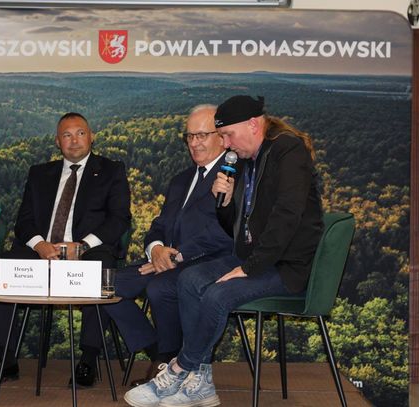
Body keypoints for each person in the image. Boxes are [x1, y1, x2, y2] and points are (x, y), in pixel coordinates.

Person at [124, 95, 324, 407]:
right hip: (253, 256)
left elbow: (287, 216)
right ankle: (201, 384)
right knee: (189, 280)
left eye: (228, 135)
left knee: (217, 295)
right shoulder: (245, 159)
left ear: (253, 125)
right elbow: (237, 226)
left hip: (286, 265)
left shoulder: (287, 151)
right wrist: (227, 203)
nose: (226, 144)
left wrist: (249, 267)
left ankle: (180, 369)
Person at [77, 105, 233, 387]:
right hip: (165, 260)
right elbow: (159, 225)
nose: (194, 143)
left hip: (209, 263)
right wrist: (156, 249)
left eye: (202, 135)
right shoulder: (181, 180)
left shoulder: (233, 177)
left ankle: (172, 367)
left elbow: (226, 232)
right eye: (189, 136)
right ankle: (161, 355)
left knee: (160, 287)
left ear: (222, 138)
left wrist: (176, 257)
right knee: (103, 285)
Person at [0, 112, 131, 384]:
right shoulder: (40, 174)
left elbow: (119, 219)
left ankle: (88, 360)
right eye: (67, 135)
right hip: (42, 251)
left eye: (80, 133)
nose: (75, 141)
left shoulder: (111, 171)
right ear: (58, 142)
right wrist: (40, 245)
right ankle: (6, 359)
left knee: (103, 270)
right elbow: (24, 221)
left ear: (91, 137)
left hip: (87, 251)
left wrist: (81, 246)